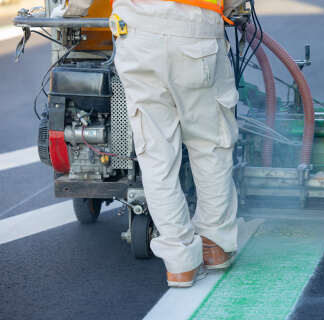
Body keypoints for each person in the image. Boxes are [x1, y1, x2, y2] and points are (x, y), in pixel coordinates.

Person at [52, 0, 245, 287]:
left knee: (156, 154)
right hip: (197, 33)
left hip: (138, 37)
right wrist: (232, 9)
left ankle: (181, 264)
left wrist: (70, 13)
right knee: (210, 146)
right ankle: (214, 246)